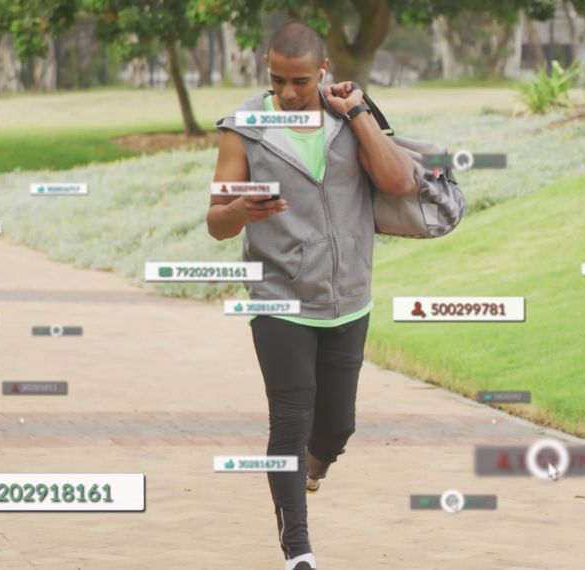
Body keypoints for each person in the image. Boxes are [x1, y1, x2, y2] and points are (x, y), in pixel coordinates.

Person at [206, 21, 416, 570]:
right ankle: (297, 549)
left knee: (336, 426)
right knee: (290, 417)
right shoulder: (245, 128)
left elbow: (398, 183)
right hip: (278, 296)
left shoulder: (350, 116)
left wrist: (360, 114)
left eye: (299, 80)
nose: (288, 93)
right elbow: (216, 223)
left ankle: (311, 470)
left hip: (349, 297)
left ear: (322, 71)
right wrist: (239, 210)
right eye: (277, 79)